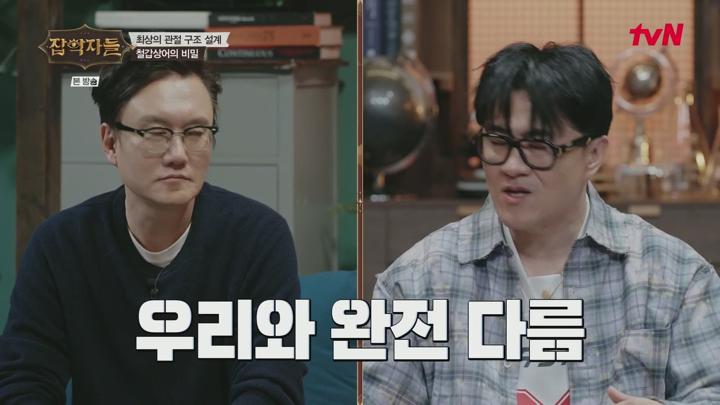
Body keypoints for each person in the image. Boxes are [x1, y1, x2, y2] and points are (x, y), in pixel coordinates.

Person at [363, 42, 720, 404]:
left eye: (538, 146)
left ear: (593, 154)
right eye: (498, 140)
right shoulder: (415, 283)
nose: (512, 166)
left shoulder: (675, 276)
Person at [0, 58, 304, 404]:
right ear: (110, 142)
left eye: (196, 132)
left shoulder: (258, 237)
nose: (178, 155)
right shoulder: (61, 244)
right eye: (156, 133)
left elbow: (273, 379)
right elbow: (25, 377)